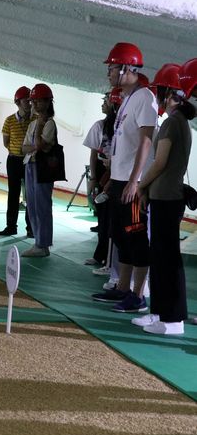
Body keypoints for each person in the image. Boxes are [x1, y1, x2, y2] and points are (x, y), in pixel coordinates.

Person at [91, 43, 157, 313]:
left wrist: (134, 180)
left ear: (128, 68)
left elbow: (145, 141)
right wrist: (113, 179)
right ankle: (122, 288)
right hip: (120, 180)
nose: (109, 72)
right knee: (120, 236)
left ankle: (138, 295)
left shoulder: (144, 98)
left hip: (133, 183)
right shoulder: (128, 100)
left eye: (112, 67)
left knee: (136, 237)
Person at [133, 64, 193, 335]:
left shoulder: (172, 122)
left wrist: (140, 185)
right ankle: (162, 313)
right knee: (162, 258)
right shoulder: (180, 122)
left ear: (168, 93)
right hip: (166, 197)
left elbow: (159, 163)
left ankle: (171, 319)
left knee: (166, 259)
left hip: (166, 199)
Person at [82, 88, 121, 267]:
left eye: (106, 100)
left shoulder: (122, 127)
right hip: (103, 174)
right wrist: (93, 178)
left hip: (118, 174)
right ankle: (101, 255)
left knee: (114, 219)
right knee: (103, 217)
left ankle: (111, 259)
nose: (103, 104)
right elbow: (93, 154)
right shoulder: (100, 126)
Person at [20, 83, 58, 257]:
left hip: (42, 168)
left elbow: (39, 145)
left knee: (42, 205)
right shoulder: (33, 123)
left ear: (48, 102)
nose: (34, 104)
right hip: (30, 165)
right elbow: (24, 148)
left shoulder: (49, 124)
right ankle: (38, 241)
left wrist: (37, 139)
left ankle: (43, 244)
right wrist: (35, 146)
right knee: (32, 206)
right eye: (32, 101)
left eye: (38, 101)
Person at [0, 87, 33, 236]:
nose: (29, 103)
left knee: (30, 195)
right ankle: (11, 226)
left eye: (30, 100)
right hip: (13, 160)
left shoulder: (36, 120)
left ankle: (31, 228)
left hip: (30, 161)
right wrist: (17, 150)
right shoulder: (9, 120)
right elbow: (6, 142)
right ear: (18, 102)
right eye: (26, 100)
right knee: (13, 194)